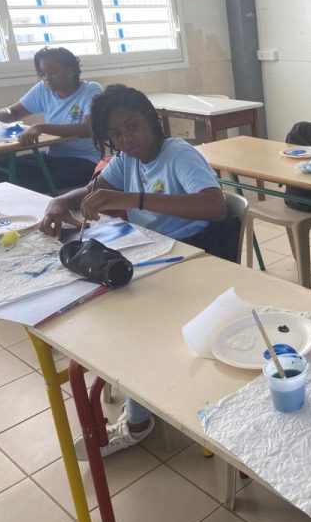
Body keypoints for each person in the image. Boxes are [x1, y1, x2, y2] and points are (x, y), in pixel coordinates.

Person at [40, 84, 228, 458]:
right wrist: (59, 201)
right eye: (116, 133)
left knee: (132, 326)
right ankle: (137, 394)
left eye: (133, 126)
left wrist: (132, 198)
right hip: (153, 255)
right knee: (102, 309)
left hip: (195, 258)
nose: (126, 139)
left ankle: (139, 420)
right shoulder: (127, 159)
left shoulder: (178, 154)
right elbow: (93, 190)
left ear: (152, 121)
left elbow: (215, 206)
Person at [0, 47, 102, 193]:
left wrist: (42, 127)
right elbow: (13, 112)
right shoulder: (43, 89)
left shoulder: (91, 90)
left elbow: (88, 129)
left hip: (85, 160)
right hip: (53, 156)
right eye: (42, 74)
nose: (47, 79)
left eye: (53, 72)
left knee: (29, 184)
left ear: (70, 71)